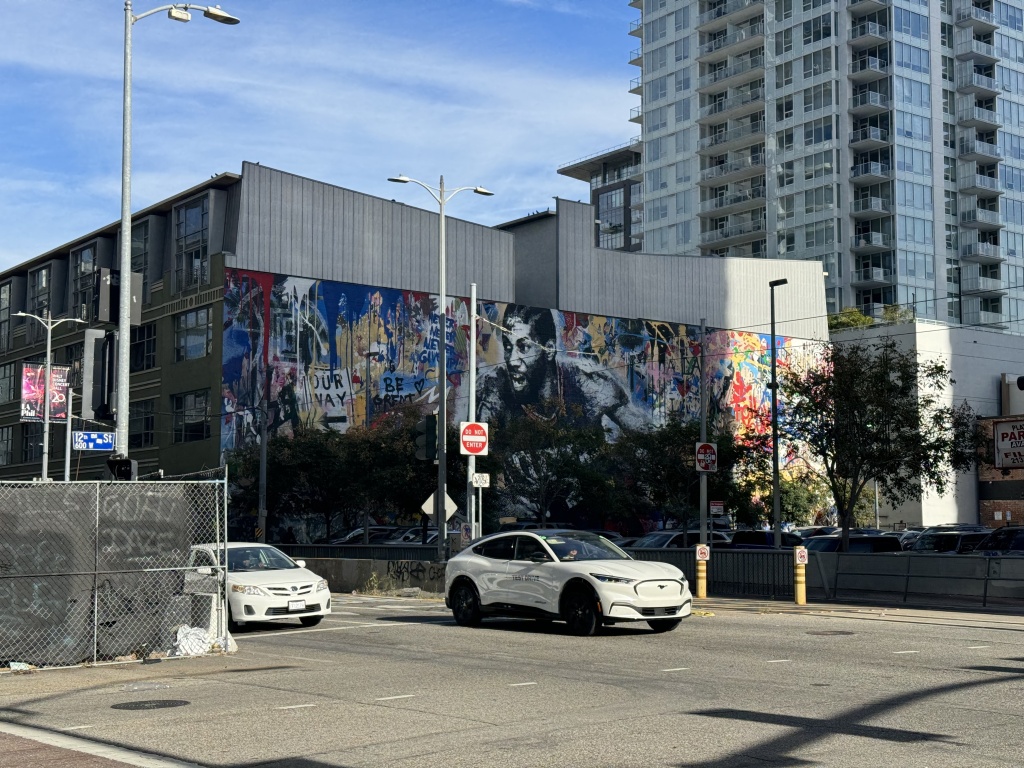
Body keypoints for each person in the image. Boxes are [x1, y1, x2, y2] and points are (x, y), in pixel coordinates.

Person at [476, 304, 646, 438]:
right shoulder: (494, 388)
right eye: (507, 346)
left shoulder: (586, 386)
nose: (512, 360)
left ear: (549, 349)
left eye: (523, 347)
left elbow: (647, 435)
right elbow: (477, 453)